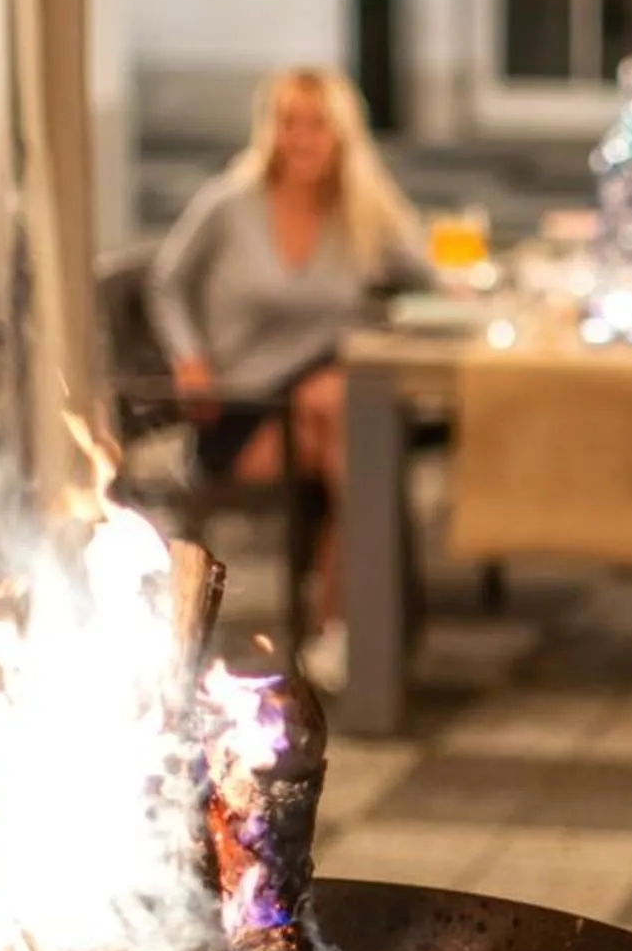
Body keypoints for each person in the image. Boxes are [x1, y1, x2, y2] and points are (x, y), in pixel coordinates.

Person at [146, 66, 428, 690]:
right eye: (287, 123)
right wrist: (188, 357)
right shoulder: (230, 203)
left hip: (317, 403)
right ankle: (345, 625)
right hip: (240, 404)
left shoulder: (359, 212)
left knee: (343, 413)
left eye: (316, 125)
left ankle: (341, 623)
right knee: (360, 438)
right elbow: (167, 281)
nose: (299, 139)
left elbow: (426, 270)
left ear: (341, 134)